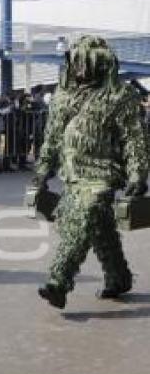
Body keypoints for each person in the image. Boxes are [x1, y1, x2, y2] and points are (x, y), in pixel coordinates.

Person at [34, 36, 149, 309]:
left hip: (102, 173)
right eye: (78, 63)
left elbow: (134, 138)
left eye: (87, 63)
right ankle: (118, 278)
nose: (82, 69)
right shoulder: (62, 97)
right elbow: (52, 138)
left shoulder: (119, 95)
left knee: (82, 219)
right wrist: (42, 170)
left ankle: (58, 282)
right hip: (73, 174)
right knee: (100, 228)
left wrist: (137, 174)